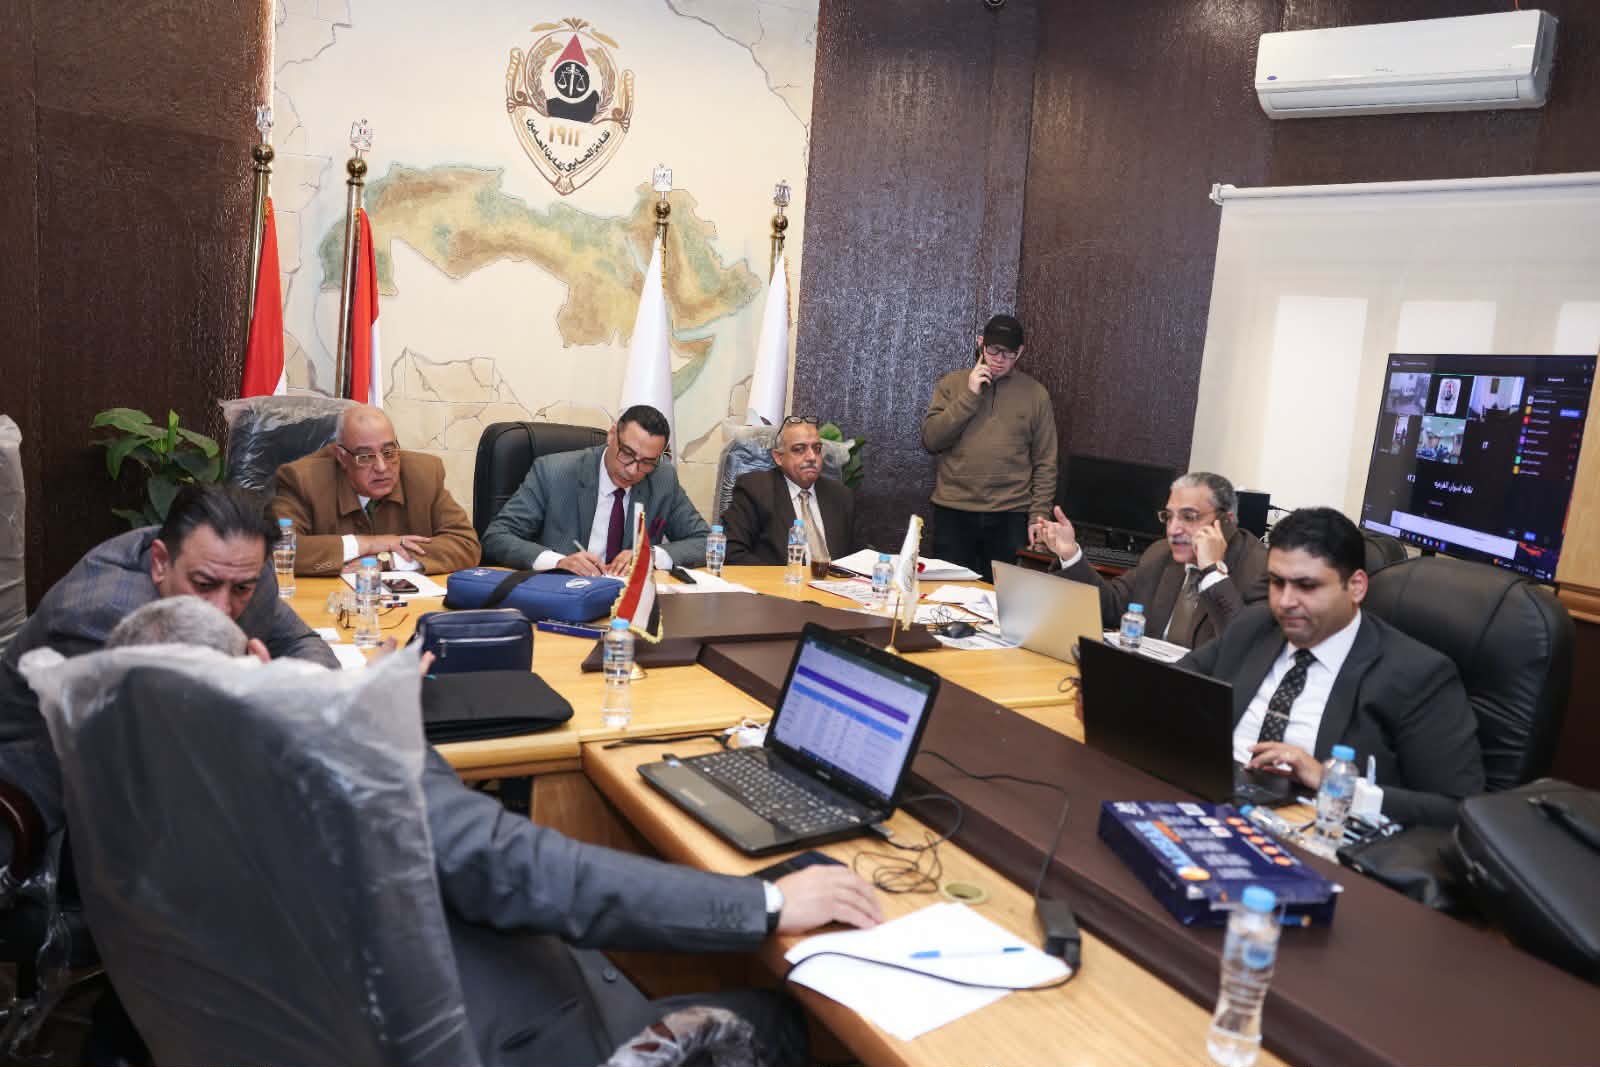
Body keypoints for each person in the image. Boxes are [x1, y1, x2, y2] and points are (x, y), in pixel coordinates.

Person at [96, 596, 883, 1065]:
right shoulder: (349, 773)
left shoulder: (130, 828)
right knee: (786, 1017)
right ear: (259, 654)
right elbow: (526, 869)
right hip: (518, 1042)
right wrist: (767, 902)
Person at [0, 485, 338, 857]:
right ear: (161, 562)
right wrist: (263, 699)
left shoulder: (232, 563)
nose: (221, 608)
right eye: (204, 585)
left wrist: (286, 692)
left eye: (242, 588)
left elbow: (303, 642)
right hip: (61, 811)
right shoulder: (106, 617)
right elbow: (175, 765)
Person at [1180, 507, 1484, 827]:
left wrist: (1333, 782)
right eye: (1277, 582)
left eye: (1307, 586)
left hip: (1312, 830)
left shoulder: (1417, 674)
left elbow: (1458, 809)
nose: (1285, 601)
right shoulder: (1255, 627)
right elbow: (1168, 686)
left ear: (1356, 586)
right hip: (1207, 795)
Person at [1036, 472, 1268, 650]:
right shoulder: (1160, 554)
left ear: (1226, 522)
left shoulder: (1260, 568)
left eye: (1189, 517)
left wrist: (1212, 572)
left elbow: (1244, 648)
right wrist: (1070, 554)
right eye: (1169, 517)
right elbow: (1111, 607)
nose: (1173, 529)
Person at [481, 404, 709, 576]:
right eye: (627, 454)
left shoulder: (662, 478)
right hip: (565, 595)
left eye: (647, 462)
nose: (632, 470)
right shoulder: (552, 472)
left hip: (627, 604)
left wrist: (651, 556)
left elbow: (707, 542)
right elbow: (496, 537)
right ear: (612, 435)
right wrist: (558, 562)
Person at [921, 313, 1058, 582]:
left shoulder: (1036, 395)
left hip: (1010, 516)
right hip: (954, 512)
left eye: (1008, 353)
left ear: (1020, 352)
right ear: (980, 343)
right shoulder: (952, 385)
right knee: (946, 598)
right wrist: (970, 395)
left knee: (1004, 600)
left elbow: (1046, 462)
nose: (999, 359)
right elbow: (931, 440)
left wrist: (1039, 516)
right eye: (993, 350)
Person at [270, 404, 480, 575]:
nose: (381, 467)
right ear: (342, 457)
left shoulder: (424, 475)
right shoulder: (302, 480)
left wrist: (388, 560)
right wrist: (368, 544)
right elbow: (275, 549)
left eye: (389, 452)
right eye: (365, 457)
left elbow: (466, 545)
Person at [722, 416, 858, 565]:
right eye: (799, 449)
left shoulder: (840, 496)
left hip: (832, 579)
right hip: (778, 579)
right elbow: (732, 551)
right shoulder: (755, 489)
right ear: (778, 457)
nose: (812, 457)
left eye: (817, 449)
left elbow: (857, 557)